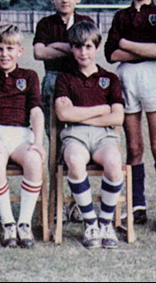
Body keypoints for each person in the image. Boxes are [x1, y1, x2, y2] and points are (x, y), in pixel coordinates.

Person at [104, 0, 156, 233]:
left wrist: (125, 42)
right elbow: (111, 54)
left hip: (152, 78)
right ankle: (136, 206)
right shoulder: (120, 16)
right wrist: (134, 47)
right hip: (126, 79)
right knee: (134, 147)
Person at [0, 23, 45, 248]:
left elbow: (36, 111)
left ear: (19, 51)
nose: (5, 54)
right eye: (0, 49)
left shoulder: (29, 76)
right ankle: (7, 224)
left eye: (10, 49)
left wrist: (38, 142)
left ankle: (24, 223)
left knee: (33, 159)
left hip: (21, 134)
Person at [54, 21, 125, 249]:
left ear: (96, 47)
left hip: (105, 136)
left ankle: (105, 223)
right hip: (74, 135)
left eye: (87, 46)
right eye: (77, 47)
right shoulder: (65, 78)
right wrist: (102, 109)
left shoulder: (110, 78)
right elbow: (63, 114)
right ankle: (90, 223)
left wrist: (78, 114)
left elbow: (117, 118)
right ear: (71, 48)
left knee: (114, 162)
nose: (83, 52)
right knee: (75, 160)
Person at [33, 0, 94, 136]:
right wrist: (72, 46)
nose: (65, 0)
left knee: (80, 129)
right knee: (54, 131)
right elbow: (39, 53)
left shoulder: (86, 21)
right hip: (53, 78)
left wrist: (55, 45)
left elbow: (89, 52)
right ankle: (55, 160)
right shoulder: (45, 24)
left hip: (80, 78)